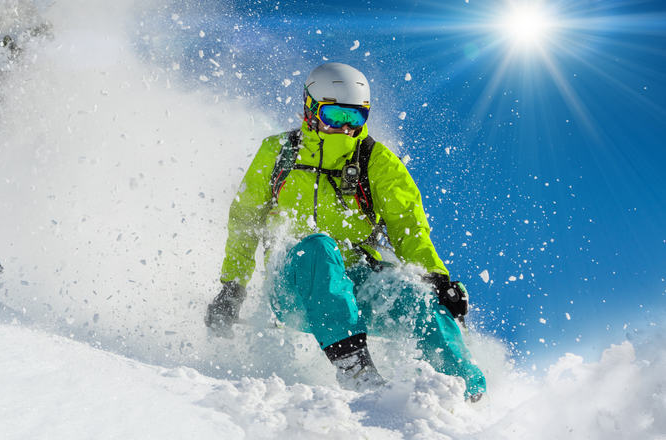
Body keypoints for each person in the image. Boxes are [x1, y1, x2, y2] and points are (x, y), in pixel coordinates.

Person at [204, 62, 487, 401]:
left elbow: (408, 227)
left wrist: (437, 278)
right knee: (318, 247)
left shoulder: (375, 160)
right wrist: (233, 286)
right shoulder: (279, 152)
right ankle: (355, 368)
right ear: (310, 110)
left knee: (417, 296)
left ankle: (465, 392)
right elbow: (245, 222)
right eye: (334, 116)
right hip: (293, 286)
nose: (344, 128)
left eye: (355, 119)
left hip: (358, 284)